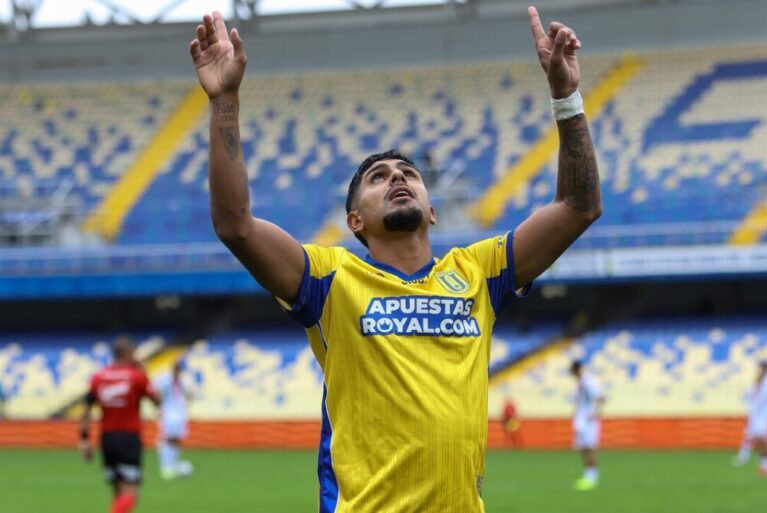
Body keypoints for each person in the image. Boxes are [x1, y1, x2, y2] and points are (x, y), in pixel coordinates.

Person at [190, 6, 601, 511]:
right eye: (378, 177)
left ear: (431, 210)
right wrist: (225, 101)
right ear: (355, 221)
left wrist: (565, 97)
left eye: (407, 172)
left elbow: (579, 207)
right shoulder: (329, 280)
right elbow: (235, 224)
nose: (398, 177)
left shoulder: (479, 272)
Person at [80, 337, 161, 513]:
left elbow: (86, 410)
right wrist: (144, 371)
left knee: (117, 492)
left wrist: (84, 440)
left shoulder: (99, 377)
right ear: (130, 353)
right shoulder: (136, 377)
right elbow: (158, 401)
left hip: (107, 439)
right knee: (131, 493)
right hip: (128, 439)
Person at [155, 359, 194, 480]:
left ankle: (172, 464)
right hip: (168, 413)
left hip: (179, 414)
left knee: (176, 439)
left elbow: (189, 395)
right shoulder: (164, 380)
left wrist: (186, 401)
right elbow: (157, 393)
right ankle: (165, 467)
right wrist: (159, 409)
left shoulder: (183, 382)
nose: (178, 371)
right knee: (167, 438)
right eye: (177, 368)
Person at [570, 360, 605, 491]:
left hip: (589, 421)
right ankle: (587, 475)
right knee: (583, 448)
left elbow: (601, 396)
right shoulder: (580, 383)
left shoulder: (588, 381)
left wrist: (596, 413)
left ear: (576, 369)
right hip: (581, 421)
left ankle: (592, 478)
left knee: (590, 447)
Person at [733, 361, 767, 475]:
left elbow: (763, 398)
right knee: (749, 435)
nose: (759, 370)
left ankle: (765, 464)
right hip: (755, 413)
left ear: (765, 369)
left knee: (761, 439)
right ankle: (745, 457)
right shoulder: (757, 381)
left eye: (761, 368)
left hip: (763, 414)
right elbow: (749, 394)